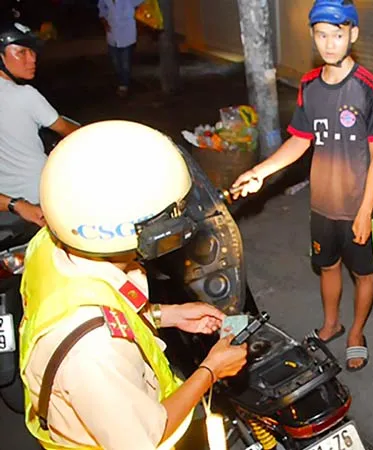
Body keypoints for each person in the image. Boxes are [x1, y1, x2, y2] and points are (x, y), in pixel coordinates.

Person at [18, 120, 249, 449]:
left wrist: (166, 315)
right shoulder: (94, 353)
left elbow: (95, 305)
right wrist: (212, 369)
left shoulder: (48, 245)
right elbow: (147, 437)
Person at [232, 0, 373, 371]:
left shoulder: (368, 87)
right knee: (327, 266)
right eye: (322, 35)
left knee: (363, 273)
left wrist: (366, 210)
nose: (330, 43)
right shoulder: (309, 85)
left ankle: (356, 332)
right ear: (313, 36)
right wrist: (261, 172)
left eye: (338, 34)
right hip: (322, 204)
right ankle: (332, 324)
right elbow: (300, 140)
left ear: (353, 34)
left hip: (357, 205)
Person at [0, 21, 78, 230]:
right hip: (38, 195)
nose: (32, 59)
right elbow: (69, 131)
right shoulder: (25, 95)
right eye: (22, 52)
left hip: (6, 202)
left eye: (32, 51)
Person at [98, 0, 143, 97]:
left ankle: (124, 85)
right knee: (116, 62)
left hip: (127, 33)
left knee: (125, 63)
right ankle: (122, 80)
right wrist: (104, 22)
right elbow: (102, 10)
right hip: (112, 34)